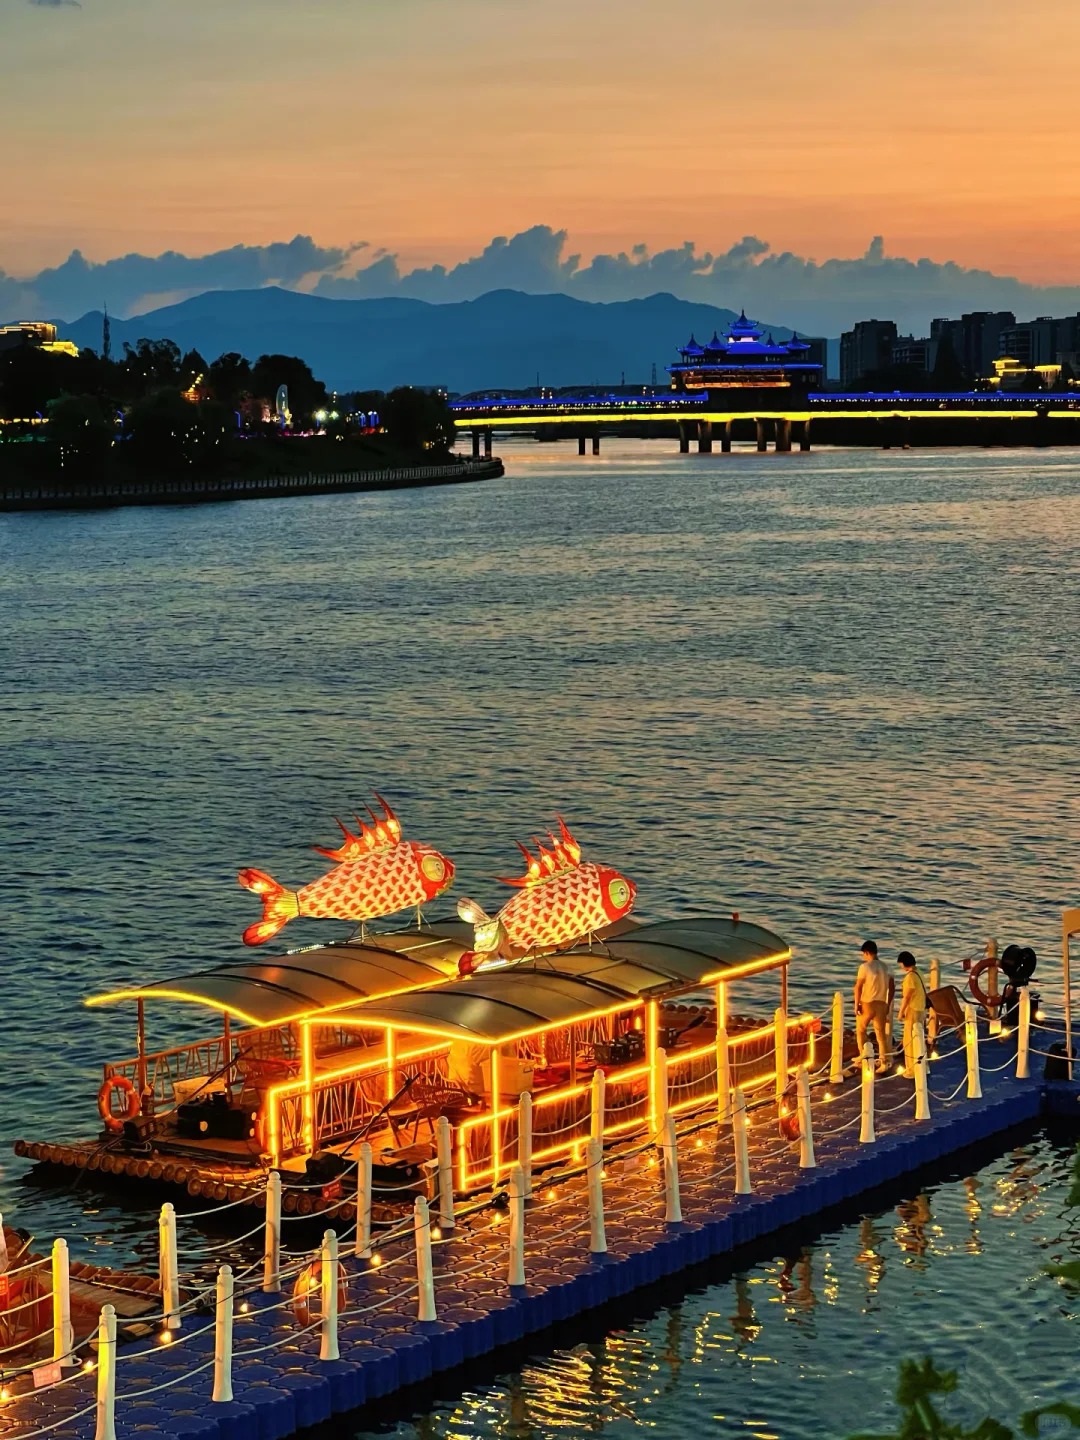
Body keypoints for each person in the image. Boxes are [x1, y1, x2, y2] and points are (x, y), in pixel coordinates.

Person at [854, 940, 894, 1073]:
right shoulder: (886, 967)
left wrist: (856, 1005)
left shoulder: (865, 967)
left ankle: (863, 1056)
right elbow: (892, 988)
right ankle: (884, 1062)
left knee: (861, 1030)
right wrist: (888, 1004)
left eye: (863, 954)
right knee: (880, 1035)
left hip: (868, 1003)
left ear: (866, 952)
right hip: (881, 1004)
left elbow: (858, 987)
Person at [896, 950, 929, 1079]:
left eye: (900, 964)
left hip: (913, 1010)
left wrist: (901, 1012)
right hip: (921, 1009)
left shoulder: (910, 977)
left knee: (909, 1040)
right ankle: (924, 1066)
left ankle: (912, 1070)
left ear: (904, 963)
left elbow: (907, 997)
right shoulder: (919, 972)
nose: (900, 966)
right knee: (920, 1038)